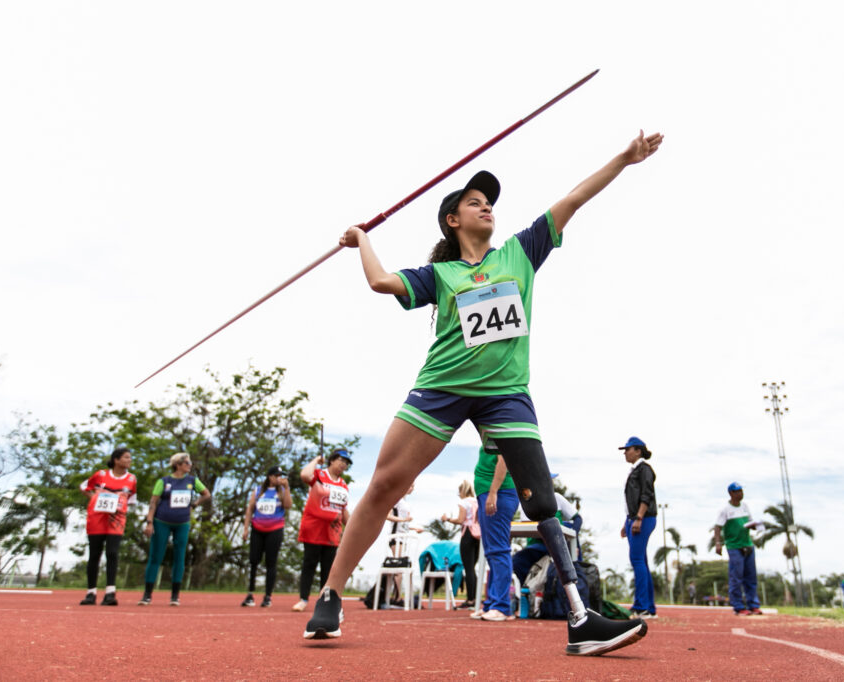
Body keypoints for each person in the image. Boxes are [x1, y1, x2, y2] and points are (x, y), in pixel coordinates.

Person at [303, 130, 663, 656]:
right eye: (475, 202)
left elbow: (574, 198)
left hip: (506, 392)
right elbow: (381, 282)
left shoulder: (520, 252)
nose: (487, 207)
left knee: (543, 501)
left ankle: (581, 619)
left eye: (490, 202)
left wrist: (625, 159)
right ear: (453, 219)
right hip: (443, 387)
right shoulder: (441, 274)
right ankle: (331, 595)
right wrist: (362, 240)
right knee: (384, 485)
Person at [139, 452, 211, 606]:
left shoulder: (193, 481)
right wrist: (149, 522)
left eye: (190, 463)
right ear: (178, 464)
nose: (190, 466)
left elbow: (206, 494)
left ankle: (175, 596)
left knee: (180, 557)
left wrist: (194, 504)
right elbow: (153, 501)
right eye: (187, 463)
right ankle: (147, 594)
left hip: (182, 523)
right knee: (156, 556)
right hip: (162, 522)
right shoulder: (164, 481)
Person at [292, 448, 352, 612]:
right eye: (341, 460)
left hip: (332, 532)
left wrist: (352, 529)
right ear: (332, 460)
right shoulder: (320, 475)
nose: (343, 465)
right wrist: (316, 460)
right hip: (313, 529)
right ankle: (303, 599)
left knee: (328, 568)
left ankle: (323, 600)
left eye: (346, 463)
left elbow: (343, 510)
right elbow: (304, 475)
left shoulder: (343, 485)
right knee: (309, 564)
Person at [79, 447, 137, 606]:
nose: (129, 460)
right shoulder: (100, 475)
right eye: (126, 457)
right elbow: (84, 487)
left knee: (112, 553)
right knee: (94, 554)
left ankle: (110, 593)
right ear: (116, 460)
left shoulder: (132, 479)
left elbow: (131, 500)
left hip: (116, 521)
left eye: (130, 458)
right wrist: (94, 499)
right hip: (96, 519)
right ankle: (91, 592)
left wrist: (118, 506)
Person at [471, 447, 519, 622]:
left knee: (498, 550)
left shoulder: (499, 427)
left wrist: (493, 493)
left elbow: (503, 460)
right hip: (488, 493)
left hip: (499, 492)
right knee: (492, 552)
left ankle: (502, 606)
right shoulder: (488, 433)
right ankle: (492, 604)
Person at [240, 465, 293, 608]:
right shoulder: (258, 491)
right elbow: (250, 508)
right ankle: (250, 594)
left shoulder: (282, 491)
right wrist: (245, 528)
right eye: (277, 475)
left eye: (281, 476)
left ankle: (268, 596)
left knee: (271, 562)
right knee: (253, 561)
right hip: (257, 529)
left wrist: (287, 488)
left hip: (275, 530)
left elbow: (288, 505)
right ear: (270, 476)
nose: (279, 478)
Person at [619, 437, 657, 619]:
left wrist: (639, 517)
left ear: (638, 451)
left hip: (643, 518)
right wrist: (626, 522)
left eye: (628, 449)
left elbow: (646, 494)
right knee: (641, 560)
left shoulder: (644, 469)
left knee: (637, 560)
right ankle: (649, 607)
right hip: (633, 518)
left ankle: (641, 606)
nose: (625, 453)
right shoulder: (634, 470)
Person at [713, 482, 762, 615]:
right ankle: (739, 607)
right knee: (736, 577)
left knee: (751, 577)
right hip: (734, 546)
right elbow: (717, 527)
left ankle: (753, 605)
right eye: (737, 491)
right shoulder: (725, 510)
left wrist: (756, 525)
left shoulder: (745, 506)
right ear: (731, 493)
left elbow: (749, 523)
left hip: (748, 544)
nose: (741, 493)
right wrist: (718, 543)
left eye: (741, 490)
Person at [441, 480, 482, 609]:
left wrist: (447, 519)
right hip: (479, 534)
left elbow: (460, 520)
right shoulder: (477, 501)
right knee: (473, 568)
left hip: (468, 534)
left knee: (468, 568)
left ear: (462, 491)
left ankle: (470, 599)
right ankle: (475, 597)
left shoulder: (463, 502)